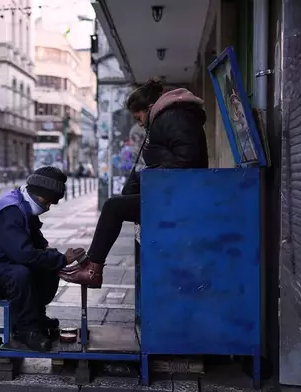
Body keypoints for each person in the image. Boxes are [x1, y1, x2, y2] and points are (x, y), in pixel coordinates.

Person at [58, 77, 209, 288]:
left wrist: (144, 176)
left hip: (180, 196)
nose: (139, 123)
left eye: (138, 117)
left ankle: (93, 270)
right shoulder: (171, 115)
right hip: (176, 191)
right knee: (119, 204)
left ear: (149, 108)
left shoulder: (173, 116)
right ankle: (92, 266)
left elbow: (186, 161)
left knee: (112, 207)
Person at [0, 166, 86, 352]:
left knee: (47, 265)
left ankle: (35, 317)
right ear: (39, 194)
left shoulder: (24, 205)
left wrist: (53, 255)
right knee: (19, 274)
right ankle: (26, 331)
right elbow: (24, 254)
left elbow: (37, 240)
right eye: (47, 202)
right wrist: (62, 259)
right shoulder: (10, 210)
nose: (47, 207)